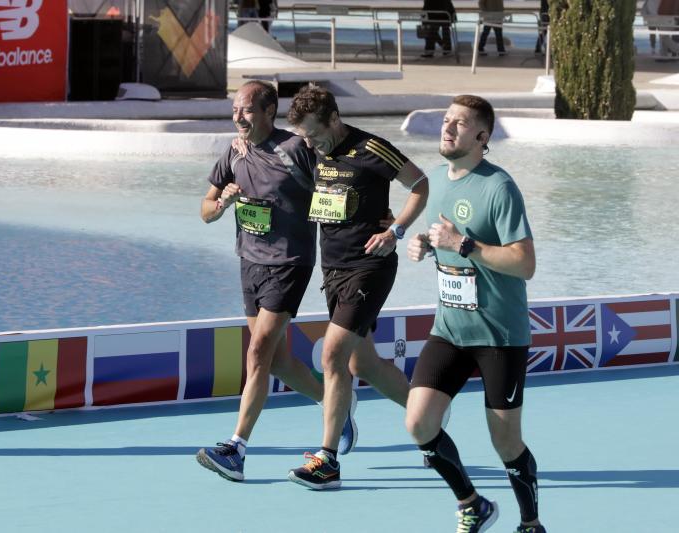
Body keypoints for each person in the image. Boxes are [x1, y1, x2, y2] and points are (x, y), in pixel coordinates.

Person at [196, 81, 358, 482]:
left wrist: (357, 224)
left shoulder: (297, 149)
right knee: (278, 361)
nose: (238, 117)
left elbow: (336, 187)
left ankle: (236, 449)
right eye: (235, 109)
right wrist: (222, 204)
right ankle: (334, 402)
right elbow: (205, 209)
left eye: (247, 110)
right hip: (248, 263)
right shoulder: (234, 152)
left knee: (258, 352)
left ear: (269, 112)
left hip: (289, 263)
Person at [405, 95, 546, 533]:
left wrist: (463, 245)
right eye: (446, 120)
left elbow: (525, 264)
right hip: (449, 328)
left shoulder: (499, 187)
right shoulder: (434, 181)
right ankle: (472, 503)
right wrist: (424, 246)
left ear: (482, 137)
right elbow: (442, 241)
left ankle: (530, 523)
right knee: (419, 423)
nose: (448, 128)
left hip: (499, 334)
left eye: (460, 124)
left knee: (505, 441)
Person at [283, 85, 429, 490]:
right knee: (361, 364)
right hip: (333, 268)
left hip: (370, 265)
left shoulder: (372, 148)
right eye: (303, 137)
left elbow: (420, 184)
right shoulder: (312, 147)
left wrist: (396, 230)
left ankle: (326, 461)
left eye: (314, 133)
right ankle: (429, 415)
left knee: (332, 355)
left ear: (334, 119)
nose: (309, 143)